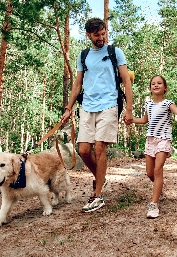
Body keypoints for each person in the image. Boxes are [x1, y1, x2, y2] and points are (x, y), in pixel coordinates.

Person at [61, 18, 134, 213]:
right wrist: (68, 108)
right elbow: (77, 84)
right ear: (88, 35)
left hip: (109, 104)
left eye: (103, 34)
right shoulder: (83, 55)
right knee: (84, 150)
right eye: (97, 35)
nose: (101, 38)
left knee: (100, 146)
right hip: (87, 106)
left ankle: (98, 194)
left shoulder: (114, 52)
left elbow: (126, 81)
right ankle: (101, 177)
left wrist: (128, 109)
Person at [131, 75, 177, 219]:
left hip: (163, 139)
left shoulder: (168, 103)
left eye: (159, 83)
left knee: (157, 169)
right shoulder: (148, 104)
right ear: (150, 88)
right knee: (150, 173)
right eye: (153, 84)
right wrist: (131, 120)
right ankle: (160, 186)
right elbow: (144, 120)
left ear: (165, 87)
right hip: (150, 140)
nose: (156, 85)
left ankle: (154, 205)